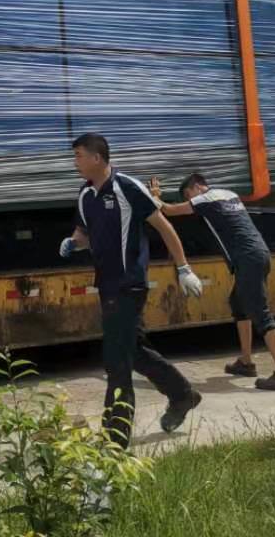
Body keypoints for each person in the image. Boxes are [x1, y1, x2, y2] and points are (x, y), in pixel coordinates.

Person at [59, 132, 204, 447]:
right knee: (133, 351)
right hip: (106, 284)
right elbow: (83, 233)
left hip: (129, 283)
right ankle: (182, 394)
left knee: (117, 361)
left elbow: (164, 227)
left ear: (97, 157)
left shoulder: (127, 187)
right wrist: (73, 243)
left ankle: (115, 438)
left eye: (79, 156)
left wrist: (184, 269)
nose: (75, 162)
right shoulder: (85, 194)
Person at [152, 173, 275, 391]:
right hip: (259, 253)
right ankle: (246, 362)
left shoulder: (206, 198)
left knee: (261, 315)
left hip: (247, 258)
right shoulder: (230, 194)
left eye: (188, 195)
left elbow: (169, 210)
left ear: (197, 187)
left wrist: (155, 196)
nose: (189, 200)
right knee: (238, 303)